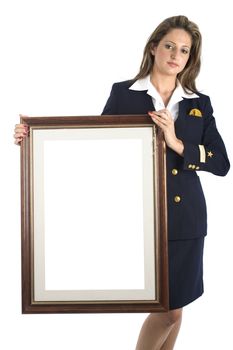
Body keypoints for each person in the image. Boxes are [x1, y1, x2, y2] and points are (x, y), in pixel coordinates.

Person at [14, 15, 230, 350]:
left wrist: (177, 143)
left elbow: (221, 163)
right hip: (142, 218)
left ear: (190, 58)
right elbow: (97, 147)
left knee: (175, 310)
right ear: (155, 47)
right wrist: (33, 138)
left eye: (184, 51)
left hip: (188, 220)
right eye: (170, 45)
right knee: (166, 311)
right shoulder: (124, 94)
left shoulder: (198, 103)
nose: (175, 54)